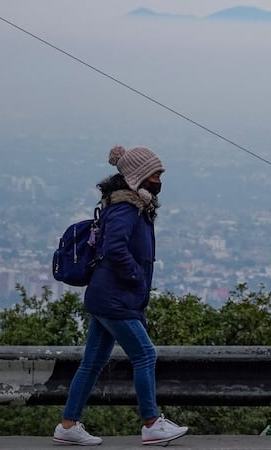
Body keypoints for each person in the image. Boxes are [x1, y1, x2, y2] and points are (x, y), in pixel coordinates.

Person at [53, 145, 188, 446]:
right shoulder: (126, 208)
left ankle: (68, 425)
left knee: (92, 362)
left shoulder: (131, 206)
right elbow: (115, 249)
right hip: (115, 296)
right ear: (140, 176)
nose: (160, 179)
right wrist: (135, 277)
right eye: (156, 173)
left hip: (107, 296)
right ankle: (151, 423)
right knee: (145, 354)